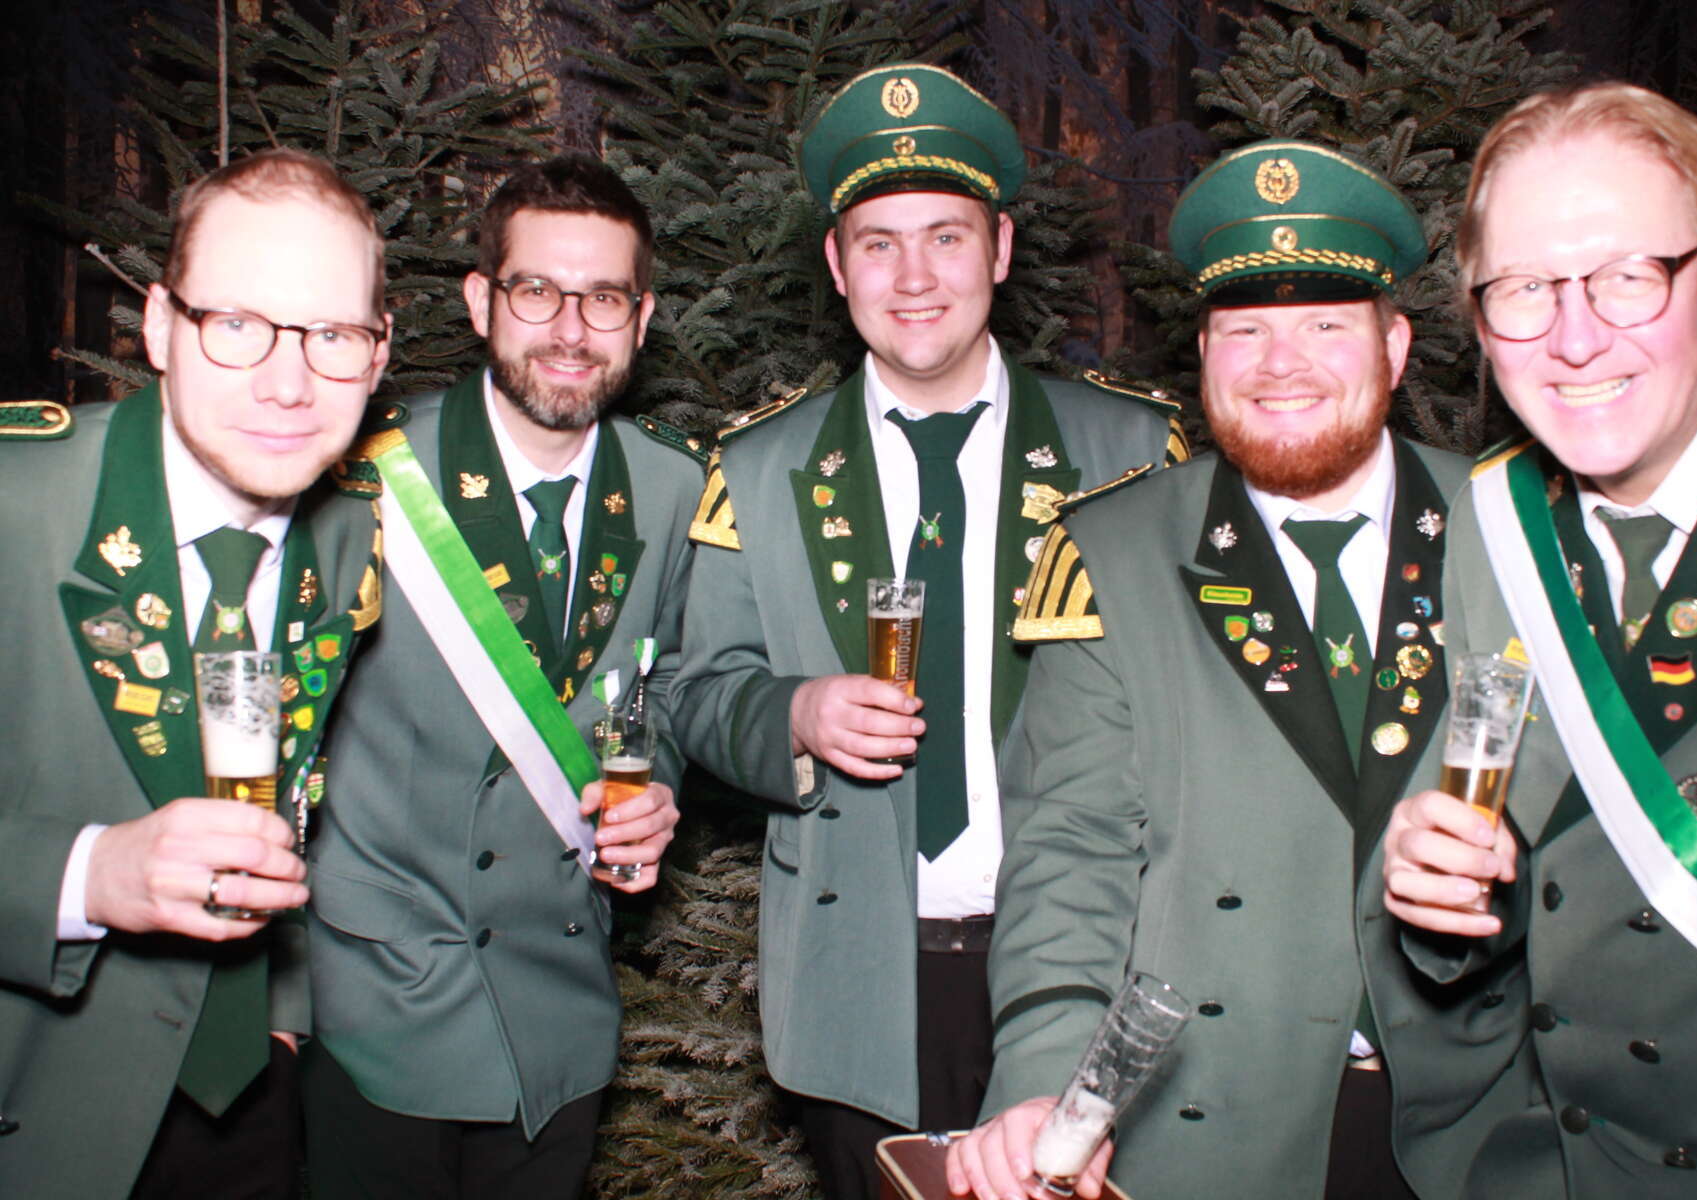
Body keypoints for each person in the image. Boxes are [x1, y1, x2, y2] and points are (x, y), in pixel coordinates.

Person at [670, 63, 1187, 1200]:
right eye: (879, 243)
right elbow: (696, 689)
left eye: (946, 238)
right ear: (835, 263)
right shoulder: (757, 469)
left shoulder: (1134, 455)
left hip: (1089, 960)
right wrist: (793, 712)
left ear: (1000, 249)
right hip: (859, 973)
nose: (914, 278)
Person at [946, 140, 1469, 1200]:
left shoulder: (1513, 530)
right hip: (1214, 1121)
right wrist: (1045, 1083)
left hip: (1485, 1122)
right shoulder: (1112, 551)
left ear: (1396, 344)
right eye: (1245, 330)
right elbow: (1073, 849)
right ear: (1202, 352)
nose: (1282, 365)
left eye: (1326, 325)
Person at [1372, 81, 1697, 1197]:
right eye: (1523, 289)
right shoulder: (1494, 521)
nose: (1572, 339)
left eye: (1627, 276)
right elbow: (1542, 855)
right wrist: (1446, 892)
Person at [299, 156, 697, 1198]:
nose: (570, 328)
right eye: (536, 291)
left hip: (559, 1008)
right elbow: (279, 741)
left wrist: (654, 789)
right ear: (481, 302)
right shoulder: (366, 477)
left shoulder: (673, 487)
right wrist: (276, 1000)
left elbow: (663, 689)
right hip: (378, 1006)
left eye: (603, 297)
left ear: (641, 318)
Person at [0, 148, 388, 1199]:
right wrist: (86, 876)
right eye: (237, 324)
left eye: (333, 335)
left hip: (245, 1103)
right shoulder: (16, 503)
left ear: (380, 353)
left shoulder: (346, 535)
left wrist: (281, 1020)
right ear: (162, 326)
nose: (288, 383)